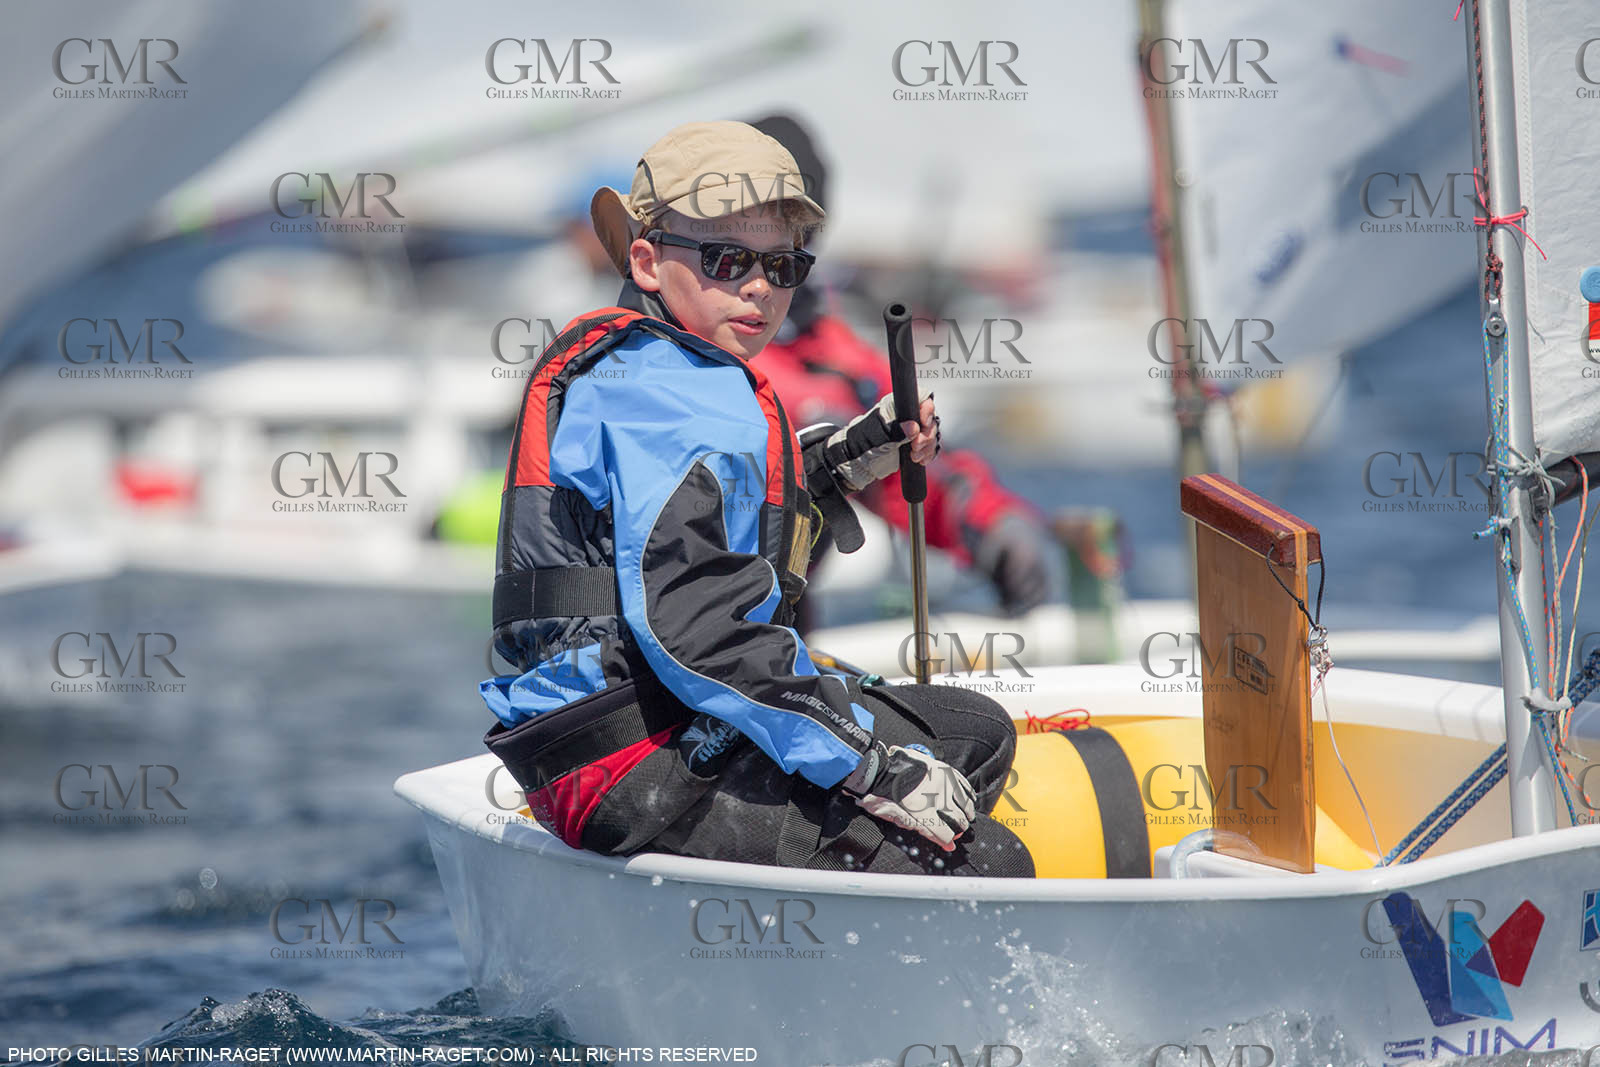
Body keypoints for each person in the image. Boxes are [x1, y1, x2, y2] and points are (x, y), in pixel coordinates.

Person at [479, 120, 1033, 877]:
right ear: (645, 259)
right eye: (728, 259)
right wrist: (873, 768)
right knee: (988, 860)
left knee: (978, 731)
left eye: (783, 264)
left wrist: (845, 458)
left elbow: (702, 529)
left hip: (657, 715)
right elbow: (699, 635)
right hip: (630, 760)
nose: (760, 286)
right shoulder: (665, 397)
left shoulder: (660, 362)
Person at [748, 113, 1062, 623]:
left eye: (792, 223)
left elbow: (917, 463)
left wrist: (997, 526)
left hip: (772, 650)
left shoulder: (838, 366)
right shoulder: (655, 346)